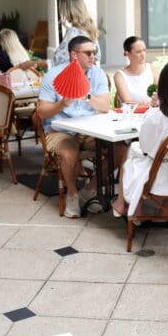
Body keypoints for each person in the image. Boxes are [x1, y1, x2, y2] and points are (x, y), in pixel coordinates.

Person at [36, 35, 122, 218]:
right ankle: (73, 194)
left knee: (121, 148)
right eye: (88, 53)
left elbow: (105, 106)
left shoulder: (97, 74)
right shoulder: (53, 76)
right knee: (69, 153)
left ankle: (90, 190)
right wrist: (62, 104)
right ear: (74, 55)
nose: (93, 56)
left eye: (94, 52)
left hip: (91, 128)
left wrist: (87, 96)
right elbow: (42, 112)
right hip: (60, 130)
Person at [112, 60, 168, 218]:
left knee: (132, 152)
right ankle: (163, 212)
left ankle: (129, 206)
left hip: (165, 178)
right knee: (158, 155)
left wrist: (155, 108)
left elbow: (146, 147)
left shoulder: (159, 116)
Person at [51, 0, 99, 66]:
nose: (62, 14)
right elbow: (97, 56)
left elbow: (58, 59)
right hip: (90, 73)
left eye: (63, 11)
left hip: (75, 74)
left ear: (69, 11)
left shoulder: (73, 32)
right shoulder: (90, 30)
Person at [113, 36, 159, 105]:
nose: (143, 55)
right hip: (131, 114)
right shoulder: (119, 75)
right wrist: (151, 103)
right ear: (127, 54)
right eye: (138, 52)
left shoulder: (152, 69)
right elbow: (128, 102)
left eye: (144, 50)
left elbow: (163, 94)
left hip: (152, 113)